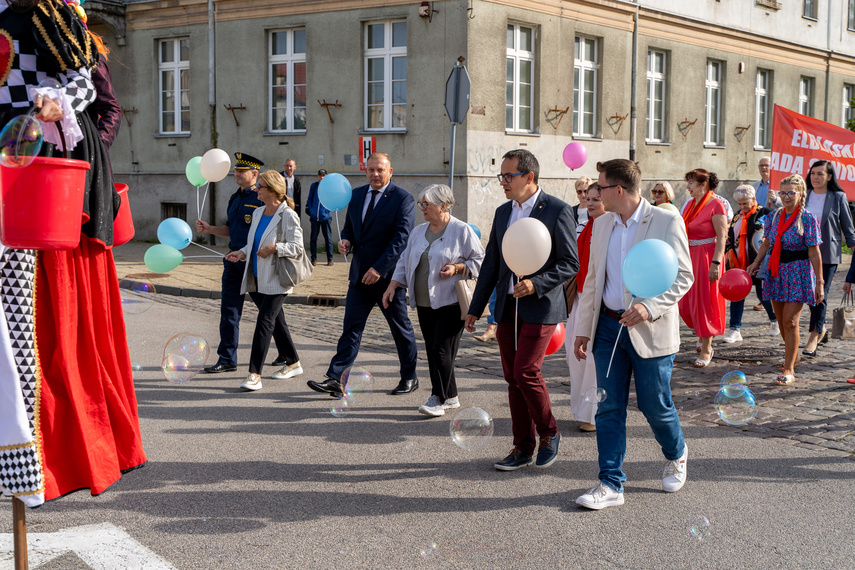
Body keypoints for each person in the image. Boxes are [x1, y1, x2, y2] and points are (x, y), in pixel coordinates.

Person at [0, 0, 146, 504]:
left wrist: (85, 160)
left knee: (48, 325)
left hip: (53, 195)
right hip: (10, 175)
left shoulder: (62, 21)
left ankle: (52, 454)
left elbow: (100, 102)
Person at [573, 159, 694, 510]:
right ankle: (610, 483)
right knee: (608, 406)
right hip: (608, 327)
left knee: (654, 403)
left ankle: (676, 452)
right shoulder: (602, 223)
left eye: (601, 187)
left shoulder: (666, 220)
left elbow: (683, 276)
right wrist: (584, 328)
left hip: (649, 327)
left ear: (618, 190)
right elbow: (594, 278)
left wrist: (649, 307)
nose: (594, 193)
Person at [465, 149, 578, 471]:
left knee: (526, 371)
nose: (503, 182)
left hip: (541, 306)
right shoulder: (503, 212)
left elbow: (570, 263)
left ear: (529, 177)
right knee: (512, 378)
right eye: (501, 176)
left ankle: (549, 433)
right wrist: (476, 308)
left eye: (508, 176)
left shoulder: (557, 210)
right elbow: (491, 264)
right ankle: (521, 447)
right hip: (507, 306)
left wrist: (537, 283)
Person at [307, 152, 419, 397]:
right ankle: (335, 378)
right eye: (370, 170)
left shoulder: (403, 199)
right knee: (351, 328)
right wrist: (345, 239)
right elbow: (350, 226)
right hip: (359, 277)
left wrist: (380, 269)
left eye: (380, 170)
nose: (375, 174)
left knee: (400, 329)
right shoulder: (356, 195)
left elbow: (400, 240)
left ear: (390, 171)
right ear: (365, 171)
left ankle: (409, 376)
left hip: (388, 279)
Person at [382, 184, 485, 416]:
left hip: (451, 301)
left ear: (444, 205)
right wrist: (393, 285)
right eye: (422, 203)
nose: (423, 208)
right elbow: (404, 261)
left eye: (427, 204)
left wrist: (458, 267)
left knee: (440, 348)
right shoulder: (419, 231)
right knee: (434, 349)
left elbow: (481, 260)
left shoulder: (461, 230)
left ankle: (437, 398)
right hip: (425, 302)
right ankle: (451, 396)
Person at [196, 153, 289, 373]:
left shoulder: (261, 198)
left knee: (270, 313)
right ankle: (227, 358)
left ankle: (286, 354)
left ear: (254, 174)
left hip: (256, 263)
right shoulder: (234, 198)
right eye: (236, 171)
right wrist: (210, 229)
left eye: (241, 171)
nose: (236, 174)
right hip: (233, 261)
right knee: (229, 311)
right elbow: (230, 230)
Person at [224, 171, 303, 391]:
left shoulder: (287, 215)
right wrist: (240, 253)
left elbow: (297, 247)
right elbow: (254, 243)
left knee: (264, 322)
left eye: (260, 187)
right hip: (257, 276)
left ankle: (254, 375)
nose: (256, 190)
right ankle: (294, 363)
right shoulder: (259, 213)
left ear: (272, 191)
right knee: (278, 322)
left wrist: (275, 248)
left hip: (278, 279)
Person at [747, 174, 823, 385]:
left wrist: (819, 282)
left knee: (791, 321)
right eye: (783, 193)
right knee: (781, 321)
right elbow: (766, 243)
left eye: (791, 193)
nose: (787, 197)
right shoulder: (774, 216)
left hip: (798, 272)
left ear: (800, 194)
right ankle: (794, 354)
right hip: (776, 271)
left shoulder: (807, 218)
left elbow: (815, 252)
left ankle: (789, 368)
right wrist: (756, 263)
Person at [564, 183, 607, 432]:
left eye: (596, 200)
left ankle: (593, 413)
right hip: (579, 296)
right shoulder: (589, 225)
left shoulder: (609, 226)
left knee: (590, 358)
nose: (589, 203)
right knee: (574, 355)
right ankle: (582, 408)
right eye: (588, 199)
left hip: (596, 301)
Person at [801, 160, 855, 357]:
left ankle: (814, 334)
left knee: (819, 293)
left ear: (829, 177)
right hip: (802, 253)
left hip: (827, 254)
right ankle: (822, 328)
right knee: (806, 293)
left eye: (820, 174)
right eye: (813, 173)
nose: (815, 177)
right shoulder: (803, 195)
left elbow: (849, 229)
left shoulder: (838, 197)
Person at [678, 169, 728, 367]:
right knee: (685, 302)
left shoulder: (716, 204)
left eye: (691, 183)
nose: (688, 187)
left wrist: (716, 262)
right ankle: (701, 331)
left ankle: (707, 346)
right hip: (689, 255)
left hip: (707, 256)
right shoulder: (690, 204)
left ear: (703, 185)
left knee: (705, 301)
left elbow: (722, 237)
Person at [722, 185, 777, 343]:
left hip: (759, 263)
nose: (742, 207)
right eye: (739, 204)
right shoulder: (737, 217)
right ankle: (734, 329)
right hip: (739, 263)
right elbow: (731, 238)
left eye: (745, 203)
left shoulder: (766, 213)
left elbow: (770, 238)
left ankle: (774, 320)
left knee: (763, 295)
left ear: (754, 200)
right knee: (737, 295)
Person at [305, 169, 333, 266]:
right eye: (320, 175)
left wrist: (327, 212)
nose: (322, 177)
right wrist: (312, 211)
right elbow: (310, 199)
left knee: (328, 239)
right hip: (314, 218)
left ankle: (330, 259)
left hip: (326, 218)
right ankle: (313, 259)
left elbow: (332, 200)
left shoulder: (329, 187)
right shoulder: (314, 186)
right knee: (313, 238)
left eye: (323, 175)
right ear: (317, 176)